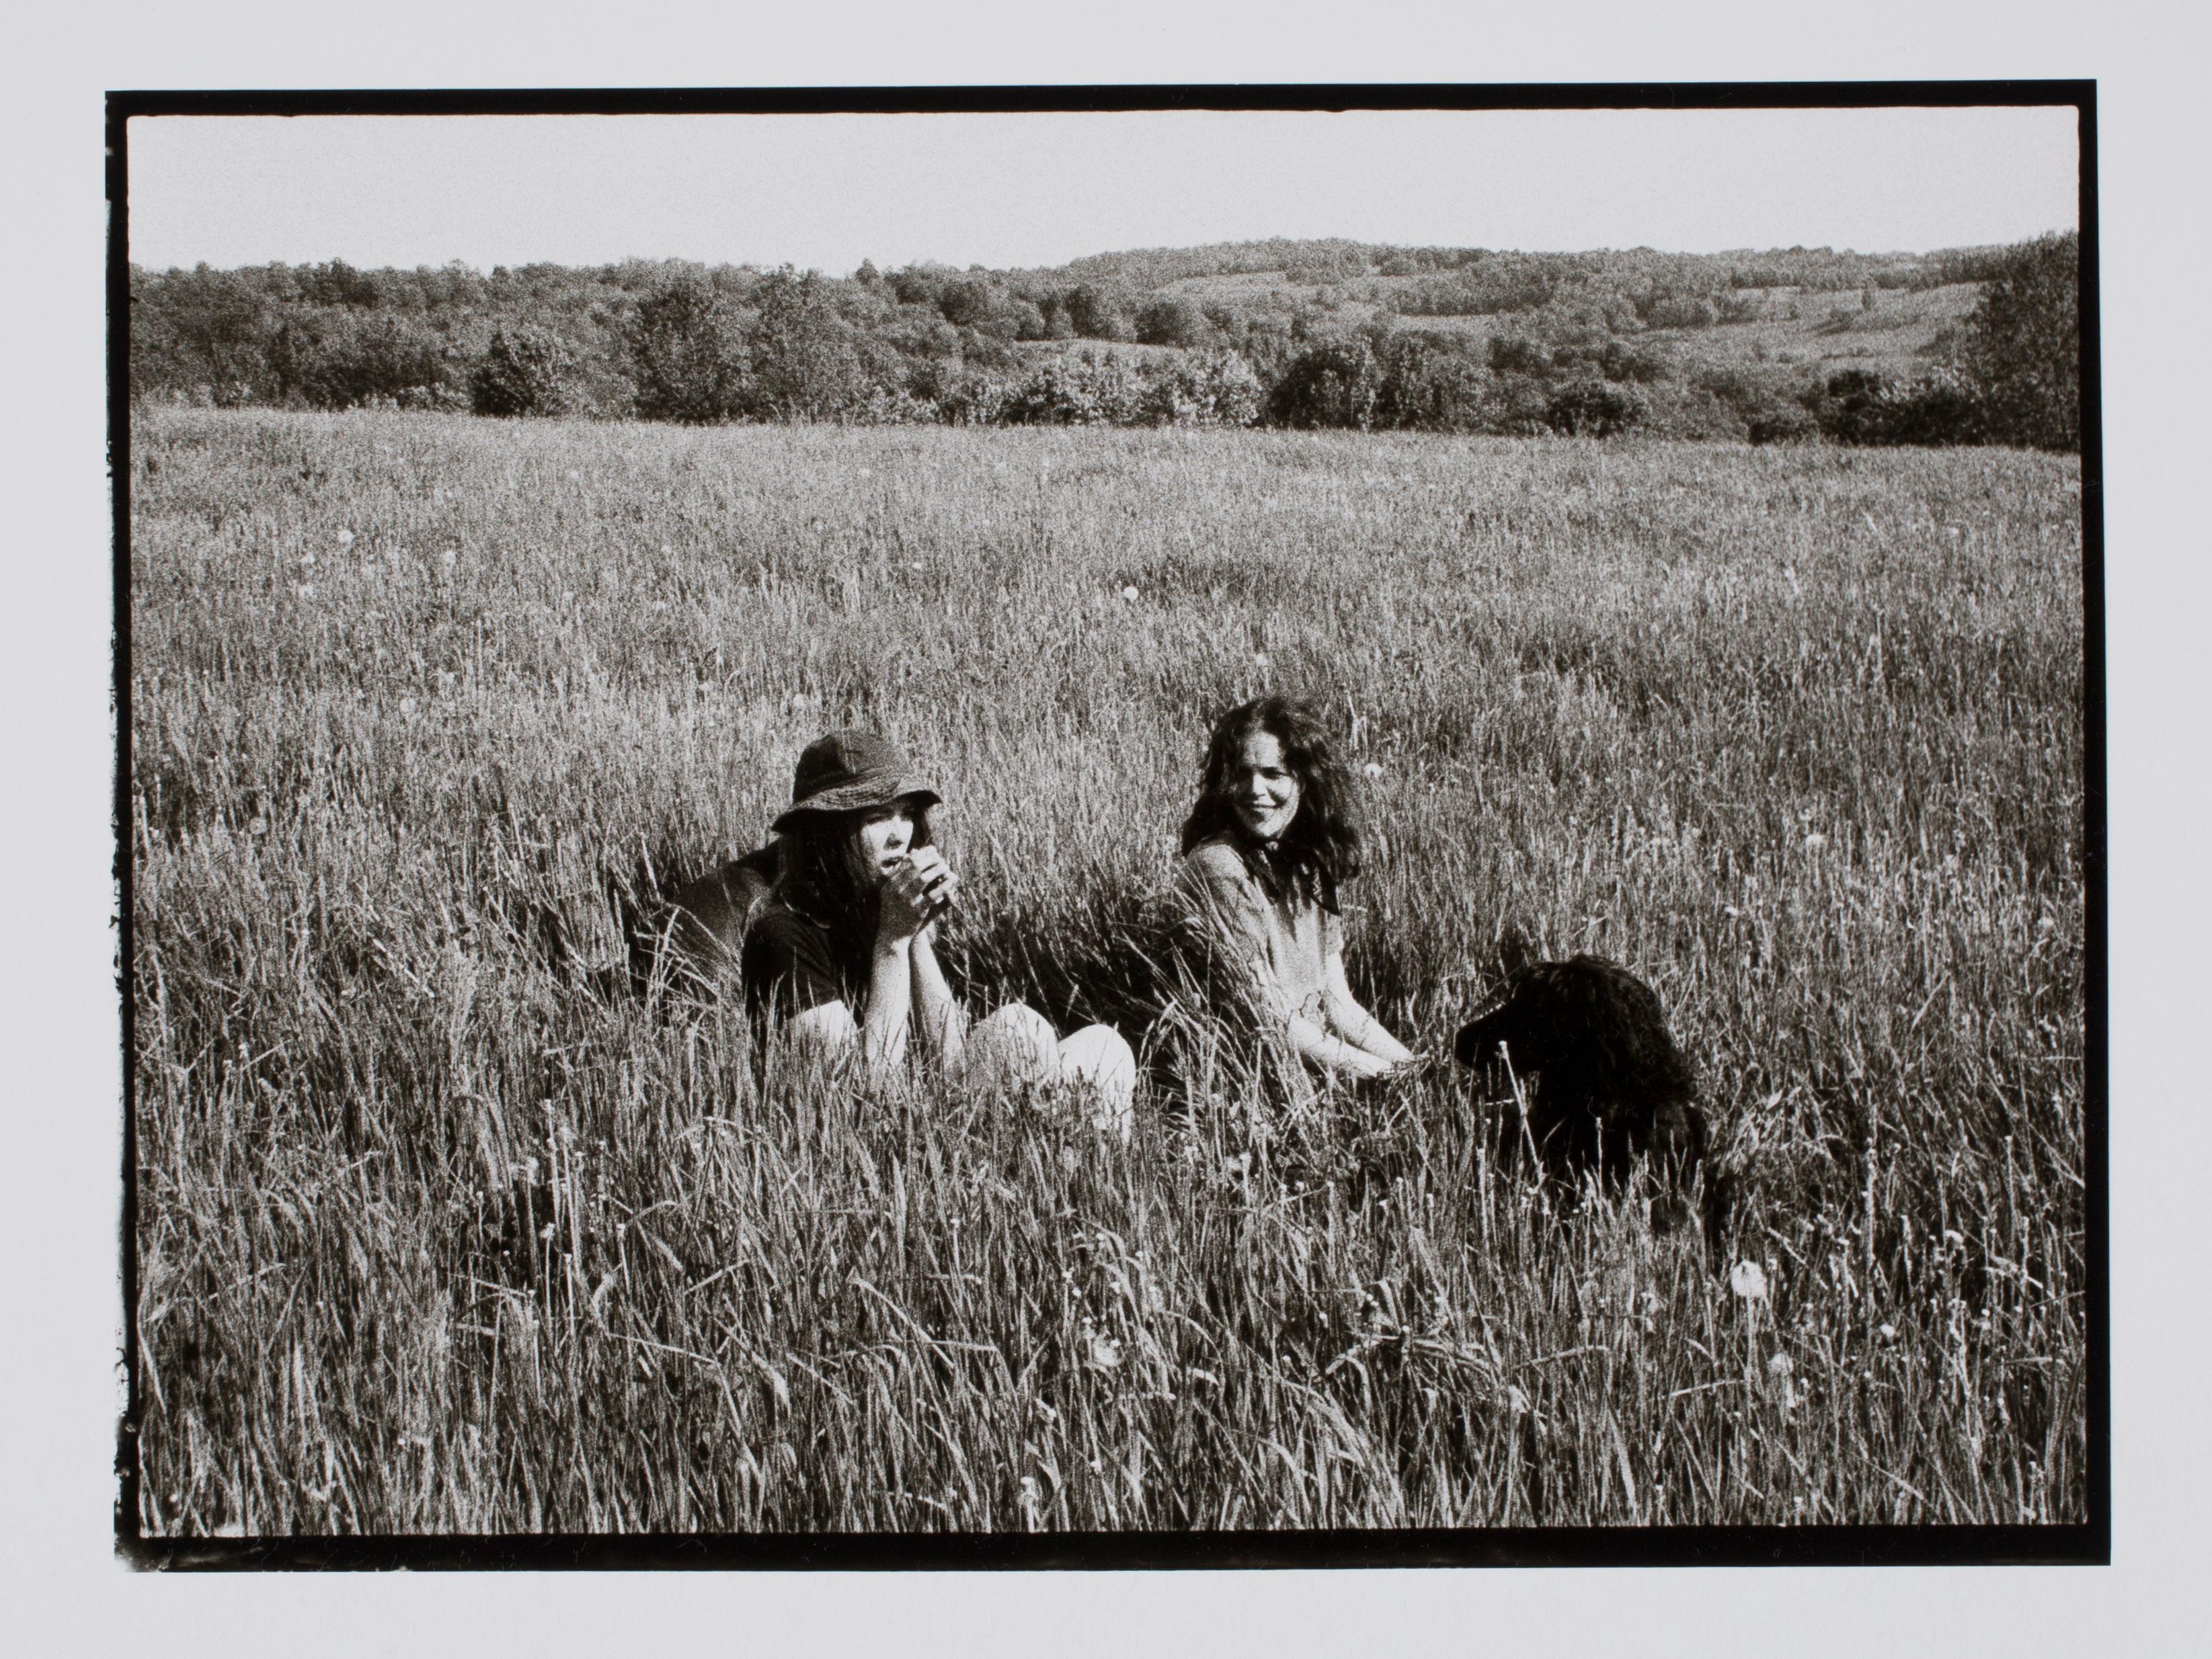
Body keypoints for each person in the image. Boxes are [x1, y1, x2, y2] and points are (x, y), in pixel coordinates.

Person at [742, 729, 1136, 1132]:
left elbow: (949, 1058)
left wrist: (917, 928)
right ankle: (1052, 1149)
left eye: (907, 813)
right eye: (876, 818)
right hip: (886, 1136)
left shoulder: (881, 904)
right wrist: (893, 941)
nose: (900, 835)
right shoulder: (784, 934)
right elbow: (865, 1093)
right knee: (1019, 1028)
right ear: (825, 834)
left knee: (1104, 1044)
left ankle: (1073, 1163)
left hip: (940, 1113)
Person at [1177, 696, 1422, 1085]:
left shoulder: (1309, 861)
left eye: (1274, 773)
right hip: (1249, 1075)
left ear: (1306, 780)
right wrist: (1384, 1074)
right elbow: (1267, 1016)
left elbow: (1338, 1003)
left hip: (1313, 1064)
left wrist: (1416, 1069)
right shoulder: (1220, 866)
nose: (1255, 789)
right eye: (1242, 774)